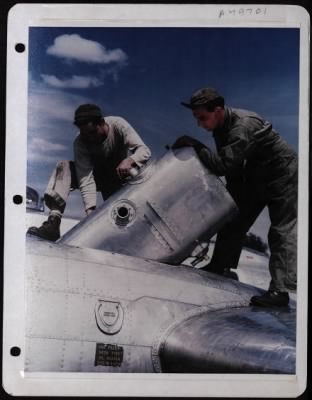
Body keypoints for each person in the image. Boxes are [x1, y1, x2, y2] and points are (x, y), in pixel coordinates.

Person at [173, 88, 297, 307]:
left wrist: (195, 144)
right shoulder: (221, 127)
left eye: (203, 117)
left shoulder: (242, 126)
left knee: (281, 232)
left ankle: (281, 292)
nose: (199, 124)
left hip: (284, 176)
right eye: (196, 118)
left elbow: (223, 165)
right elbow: (233, 171)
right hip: (256, 177)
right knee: (232, 217)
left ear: (218, 110)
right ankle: (220, 266)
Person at [28, 104, 151, 241]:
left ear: (102, 123)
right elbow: (85, 179)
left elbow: (144, 151)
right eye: (85, 134)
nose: (89, 138)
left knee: (121, 224)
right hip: (96, 176)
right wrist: (90, 212)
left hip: (118, 179)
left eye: (92, 132)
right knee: (64, 166)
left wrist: (130, 160)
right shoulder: (80, 142)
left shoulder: (119, 124)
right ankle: (53, 224)